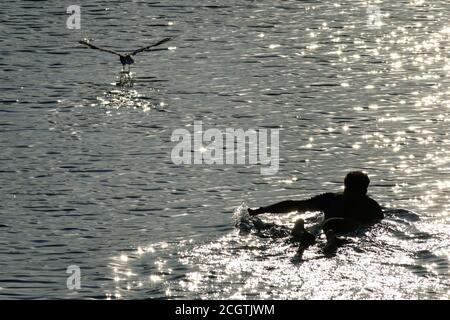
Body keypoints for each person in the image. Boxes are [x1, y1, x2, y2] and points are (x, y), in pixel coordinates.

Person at [248, 171, 383, 254]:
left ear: (345, 186)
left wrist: (261, 210)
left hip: (326, 226)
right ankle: (331, 239)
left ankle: (301, 233)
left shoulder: (330, 199)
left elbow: (295, 205)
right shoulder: (372, 206)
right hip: (348, 229)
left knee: (317, 232)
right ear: (365, 189)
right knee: (338, 236)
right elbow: (377, 227)